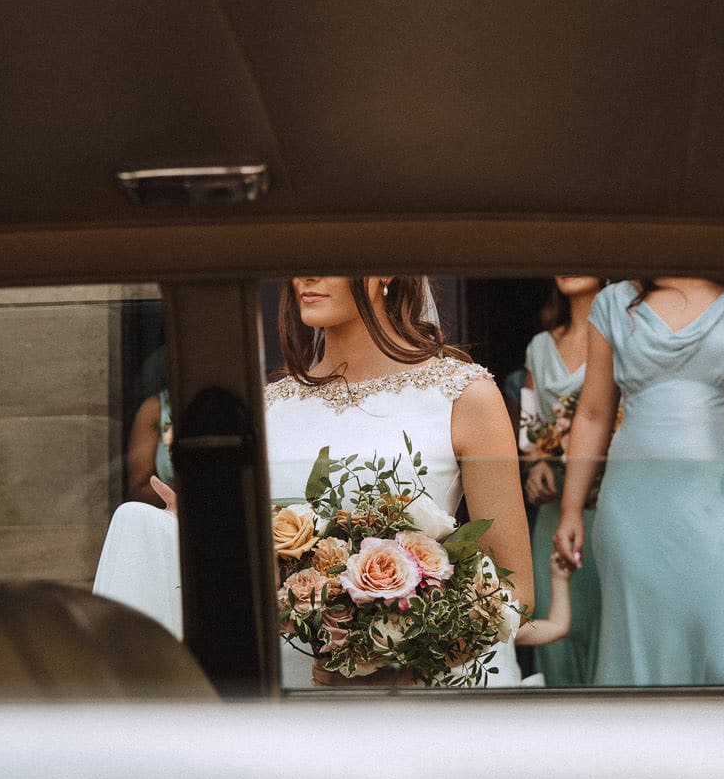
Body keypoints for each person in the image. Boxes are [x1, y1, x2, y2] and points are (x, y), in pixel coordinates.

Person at [93, 274, 534, 689]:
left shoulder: (463, 395)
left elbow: (515, 592)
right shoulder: (268, 407)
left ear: (386, 269)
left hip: (407, 691)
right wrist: (192, 532)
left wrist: (388, 656)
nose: (305, 274)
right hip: (281, 685)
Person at [552, 278, 724, 686]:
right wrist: (571, 509)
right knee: (645, 653)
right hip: (634, 507)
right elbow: (593, 414)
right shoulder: (614, 301)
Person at [518, 276, 605, 686]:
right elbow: (531, 432)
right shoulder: (539, 348)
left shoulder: (623, 337)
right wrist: (535, 465)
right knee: (555, 628)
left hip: (607, 503)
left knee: (608, 625)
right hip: (556, 513)